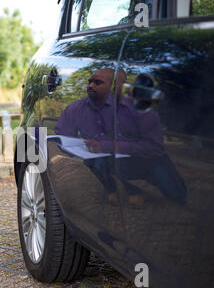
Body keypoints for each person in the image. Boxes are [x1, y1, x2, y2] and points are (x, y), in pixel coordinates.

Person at [55, 68, 187, 206]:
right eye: (90, 82)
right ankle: (118, 189)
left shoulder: (137, 108)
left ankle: (143, 186)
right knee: (93, 161)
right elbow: (62, 134)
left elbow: (155, 148)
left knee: (177, 196)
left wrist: (107, 146)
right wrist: (75, 146)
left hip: (146, 159)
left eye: (97, 82)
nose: (90, 85)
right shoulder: (76, 108)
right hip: (109, 159)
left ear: (113, 85)